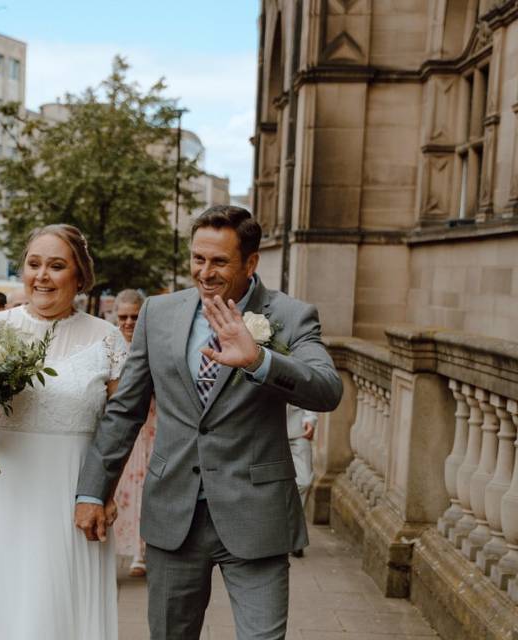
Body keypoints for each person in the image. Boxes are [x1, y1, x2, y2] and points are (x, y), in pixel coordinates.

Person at [75, 205, 343, 640]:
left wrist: (259, 360)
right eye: (198, 259)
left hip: (256, 514)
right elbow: (125, 410)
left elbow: (328, 389)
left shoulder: (291, 316)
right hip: (172, 512)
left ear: (251, 262)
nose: (205, 272)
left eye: (219, 261)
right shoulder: (158, 313)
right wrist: (92, 489)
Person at [0, 224, 126, 640]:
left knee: (58, 606)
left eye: (56, 266)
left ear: (80, 276)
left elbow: (122, 423)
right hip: (1, 492)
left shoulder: (108, 339)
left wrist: (106, 490)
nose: (42, 275)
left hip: (72, 494)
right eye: (33, 264)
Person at [110, 289, 155, 578]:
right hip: (117, 429)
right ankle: (113, 549)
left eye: (135, 317)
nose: (128, 323)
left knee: (144, 489)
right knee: (118, 489)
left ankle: (142, 552)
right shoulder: (108, 345)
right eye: (123, 317)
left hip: (150, 426)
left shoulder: (152, 345)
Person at [287, 405, 317, 558]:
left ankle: (293, 531)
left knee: (304, 481)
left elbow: (307, 389)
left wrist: (310, 419)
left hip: (299, 433)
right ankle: (295, 538)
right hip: (269, 435)